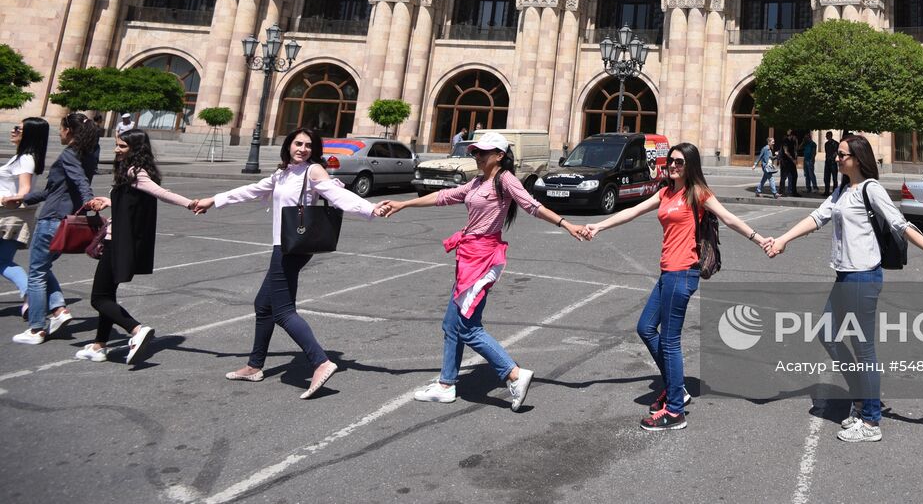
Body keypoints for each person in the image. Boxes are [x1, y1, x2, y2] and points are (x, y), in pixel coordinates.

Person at [375, 131, 588, 410]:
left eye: (483, 153)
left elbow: (532, 206)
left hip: (483, 259)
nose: (477, 156)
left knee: (467, 326)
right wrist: (404, 204)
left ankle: (513, 373)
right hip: (468, 256)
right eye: (475, 152)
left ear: (499, 155)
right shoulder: (478, 182)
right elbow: (445, 195)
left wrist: (567, 225)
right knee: (452, 323)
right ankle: (446, 384)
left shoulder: (505, 180)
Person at [765, 133, 923, 443]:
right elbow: (817, 216)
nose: (837, 159)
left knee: (864, 348)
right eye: (837, 155)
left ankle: (871, 420)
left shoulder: (870, 189)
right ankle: (862, 396)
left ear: (858, 158)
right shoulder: (842, 190)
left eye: (842, 155)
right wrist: (783, 239)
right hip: (845, 276)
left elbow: (900, 224)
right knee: (827, 333)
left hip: (863, 277)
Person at [584, 142, 773, 431]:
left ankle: (675, 411)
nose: (673, 165)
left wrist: (759, 239)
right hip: (666, 273)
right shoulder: (665, 193)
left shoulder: (697, 193)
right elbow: (632, 211)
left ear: (691, 166)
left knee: (670, 340)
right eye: (671, 160)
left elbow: (728, 217)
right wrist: (600, 226)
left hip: (683, 272)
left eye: (680, 162)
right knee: (645, 328)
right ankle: (676, 387)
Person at [190, 126, 378, 398]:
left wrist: (370, 208)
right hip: (283, 245)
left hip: (293, 247)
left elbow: (337, 196)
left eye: (309, 145)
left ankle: (320, 361)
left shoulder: (313, 171)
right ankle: (255, 366)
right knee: (263, 305)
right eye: (298, 143)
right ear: (288, 145)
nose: (303, 149)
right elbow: (251, 190)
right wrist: (213, 200)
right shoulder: (283, 173)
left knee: (282, 311)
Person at [74, 130, 195, 365]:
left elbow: (161, 193)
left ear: (136, 149)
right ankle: (99, 345)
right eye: (117, 145)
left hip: (116, 242)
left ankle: (136, 329)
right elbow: (131, 201)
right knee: (108, 295)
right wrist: (108, 201)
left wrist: (191, 203)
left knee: (98, 299)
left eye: (123, 146)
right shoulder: (133, 172)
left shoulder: (134, 172)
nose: (117, 149)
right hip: (120, 239)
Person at [6, 112, 100, 344]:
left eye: (61, 128)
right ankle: (59, 310)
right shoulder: (90, 153)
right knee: (44, 267)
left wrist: (89, 199)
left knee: (37, 273)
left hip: (53, 219)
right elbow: (55, 189)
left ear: (69, 131)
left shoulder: (70, 153)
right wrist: (24, 199)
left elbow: (80, 181)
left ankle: (37, 327)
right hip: (66, 219)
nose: (59, 132)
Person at [0, 118, 50, 315]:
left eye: (18, 129)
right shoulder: (22, 157)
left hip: (8, 216)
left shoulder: (26, 159)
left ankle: (33, 295)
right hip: (11, 216)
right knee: (3, 261)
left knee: (3, 261)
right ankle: (33, 296)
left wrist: (7, 199)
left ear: (29, 133)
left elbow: (25, 191)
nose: (13, 131)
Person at [779, 129, 798, 198]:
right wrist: (793, 159)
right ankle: (781, 191)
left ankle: (794, 191)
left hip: (791, 161)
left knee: (795, 176)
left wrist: (795, 158)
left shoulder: (793, 141)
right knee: (783, 177)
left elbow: (795, 150)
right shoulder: (785, 140)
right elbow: (786, 151)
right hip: (785, 161)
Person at [801, 132, 818, 197]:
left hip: (810, 160)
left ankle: (815, 187)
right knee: (806, 174)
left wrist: (812, 160)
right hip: (805, 160)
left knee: (811, 174)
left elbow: (814, 153)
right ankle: (808, 187)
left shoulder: (813, 144)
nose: (805, 139)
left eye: (806, 138)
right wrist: (803, 142)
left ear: (809, 138)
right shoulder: (805, 144)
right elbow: (799, 148)